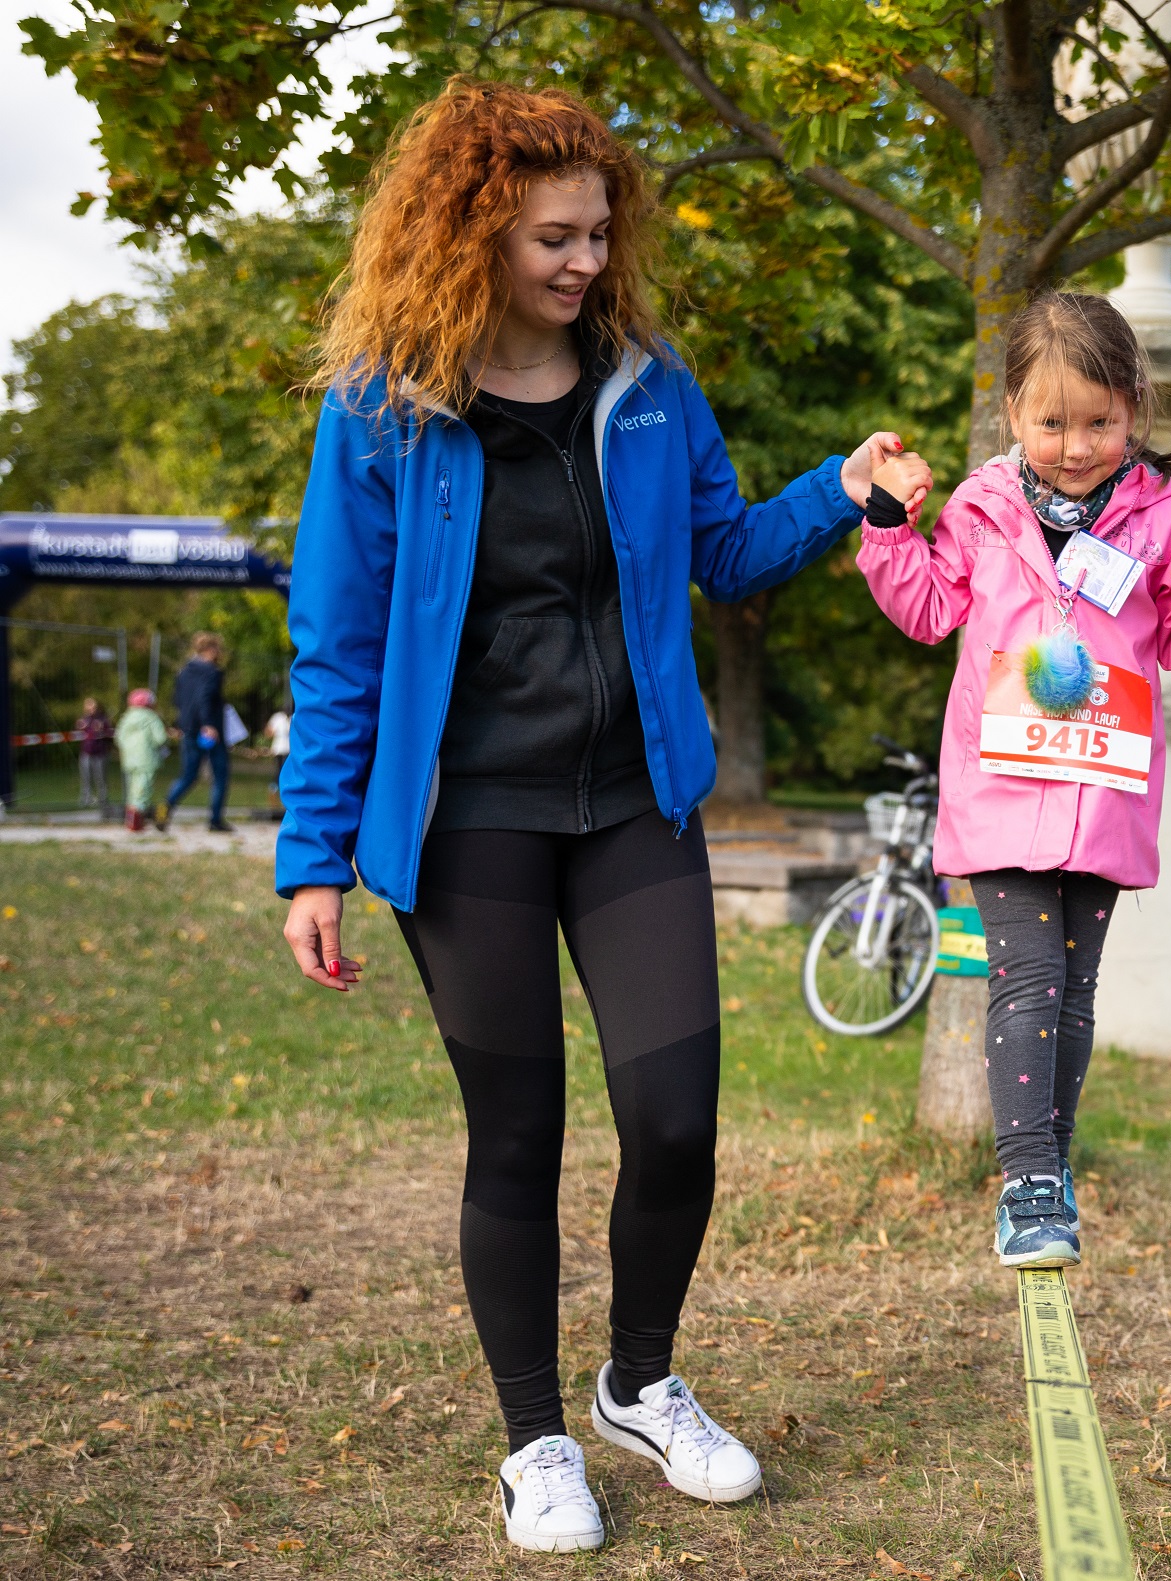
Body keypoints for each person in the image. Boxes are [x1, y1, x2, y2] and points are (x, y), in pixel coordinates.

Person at [272, 78, 931, 1555]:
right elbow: (338, 642)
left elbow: (726, 553)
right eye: (552, 237)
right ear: (471, 235)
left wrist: (842, 489)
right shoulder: (384, 410)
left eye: (597, 232)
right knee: (517, 1134)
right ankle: (535, 1441)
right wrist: (313, 857)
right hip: (470, 823)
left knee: (675, 1122)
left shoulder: (647, 384)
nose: (585, 260)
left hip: (636, 801)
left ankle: (639, 1382)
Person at [858, 291, 1171, 1270]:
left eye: (1098, 423)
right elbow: (925, 609)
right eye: (1051, 423)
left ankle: (1052, 1171)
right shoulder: (983, 508)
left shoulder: (1164, 518)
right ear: (1011, 414)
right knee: (1029, 976)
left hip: (1102, 792)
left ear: (1133, 409)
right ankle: (1027, 1179)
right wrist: (887, 524)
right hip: (1000, 784)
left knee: (1075, 992)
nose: (1075, 447)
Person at [164, 633, 233, 832]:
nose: (219, 653)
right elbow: (205, 697)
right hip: (210, 731)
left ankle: (164, 809)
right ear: (210, 649)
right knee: (220, 774)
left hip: (188, 729)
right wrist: (208, 724)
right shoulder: (212, 672)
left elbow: (177, 700)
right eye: (218, 649)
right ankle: (215, 820)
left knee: (188, 775)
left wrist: (184, 722)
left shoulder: (183, 672)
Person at [116, 690, 169, 832]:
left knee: (132, 789)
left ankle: (130, 820)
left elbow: (119, 738)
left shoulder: (126, 717)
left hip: (129, 759)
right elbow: (160, 738)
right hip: (146, 758)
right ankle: (136, 822)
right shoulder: (151, 717)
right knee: (143, 789)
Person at [74, 697, 113, 811]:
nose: (91, 709)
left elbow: (109, 734)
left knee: (101, 777)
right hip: (86, 752)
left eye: (93, 706)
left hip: (100, 753)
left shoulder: (103, 719)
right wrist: (79, 727)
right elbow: (77, 733)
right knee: (86, 777)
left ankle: (103, 799)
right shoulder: (83, 720)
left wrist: (102, 728)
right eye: (89, 706)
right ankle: (86, 798)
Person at [263, 705, 292, 812]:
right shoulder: (277, 717)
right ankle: (273, 803)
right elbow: (268, 732)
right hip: (279, 751)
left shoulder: (293, 718)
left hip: (290, 751)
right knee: (278, 775)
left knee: (289, 776)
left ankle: (286, 802)